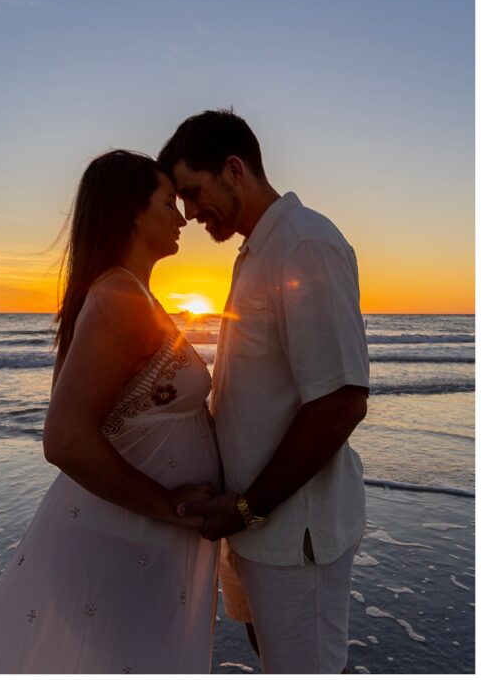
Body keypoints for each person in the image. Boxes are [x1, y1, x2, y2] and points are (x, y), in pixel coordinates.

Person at [0, 150, 221, 673]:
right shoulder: (118, 299)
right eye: (168, 203)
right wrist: (165, 505)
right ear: (132, 211)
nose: (181, 217)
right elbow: (63, 438)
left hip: (134, 538)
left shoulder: (132, 294)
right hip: (123, 538)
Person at [160, 109, 370, 673]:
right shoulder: (256, 253)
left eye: (193, 192)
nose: (189, 212)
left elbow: (341, 400)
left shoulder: (304, 246)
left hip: (291, 533)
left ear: (235, 169)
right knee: (270, 658)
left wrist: (249, 508)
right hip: (254, 527)